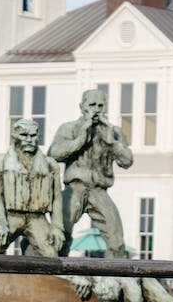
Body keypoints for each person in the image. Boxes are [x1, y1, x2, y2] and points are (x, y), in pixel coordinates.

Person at [48, 89, 134, 258]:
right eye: (92, 105)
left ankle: (113, 280)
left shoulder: (113, 131)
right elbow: (54, 154)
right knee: (61, 236)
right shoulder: (69, 128)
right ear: (82, 107)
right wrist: (80, 138)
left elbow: (127, 161)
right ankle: (57, 274)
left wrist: (112, 142)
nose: (96, 109)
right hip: (74, 189)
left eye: (100, 105)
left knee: (116, 241)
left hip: (99, 191)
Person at [0, 119, 65, 256]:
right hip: (10, 217)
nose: (29, 139)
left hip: (38, 219)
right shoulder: (0, 163)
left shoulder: (50, 165)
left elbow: (57, 199)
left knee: (51, 255)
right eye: (24, 135)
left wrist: (57, 227)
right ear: (14, 137)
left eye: (33, 135)